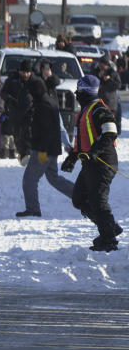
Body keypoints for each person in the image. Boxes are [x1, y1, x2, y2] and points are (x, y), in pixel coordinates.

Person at [61, 75, 122, 252]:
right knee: (79, 198)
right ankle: (109, 227)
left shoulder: (98, 109)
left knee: (98, 201)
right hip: (90, 164)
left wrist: (94, 151)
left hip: (103, 163)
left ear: (87, 93)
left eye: (79, 91)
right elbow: (80, 142)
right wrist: (71, 158)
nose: (76, 94)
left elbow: (110, 132)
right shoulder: (83, 112)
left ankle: (109, 239)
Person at [16, 75, 74, 218]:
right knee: (53, 178)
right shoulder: (47, 101)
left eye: (30, 91)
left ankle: (33, 209)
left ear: (35, 91)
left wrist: (41, 152)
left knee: (29, 179)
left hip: (43, 151)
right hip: (51, 149)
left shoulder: (43, 106)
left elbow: (47, 131)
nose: (28, 94)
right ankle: (79, 194)